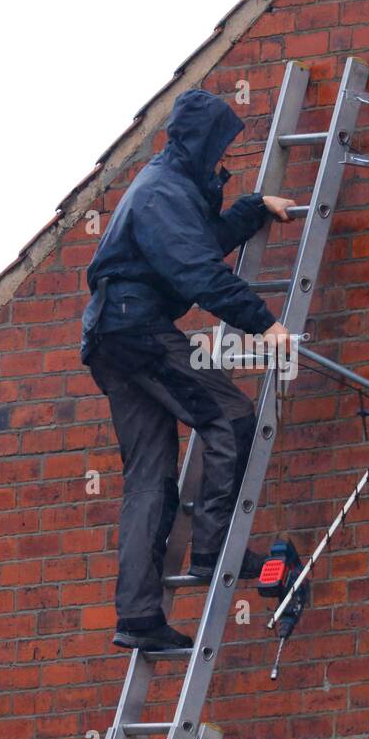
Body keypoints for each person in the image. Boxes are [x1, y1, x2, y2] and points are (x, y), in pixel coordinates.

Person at [80, 88, 296, 652]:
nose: (224, 157)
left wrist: (252, 209)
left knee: (149, 475)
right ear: (201, 142)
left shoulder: (166, 187)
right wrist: (263, 322)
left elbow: (197, 246)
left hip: (113, 336)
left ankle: (138, 617)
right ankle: (213, 547)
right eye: (220, 145)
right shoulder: (163, 191)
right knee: (231, 416)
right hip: (137, 331)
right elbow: (197, 271)